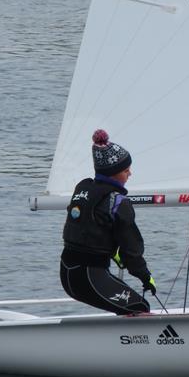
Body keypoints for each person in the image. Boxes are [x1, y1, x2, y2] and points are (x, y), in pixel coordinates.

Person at [60, 128, 155, 315]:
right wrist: (145, 276)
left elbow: (91, 230)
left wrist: (114, 254)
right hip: (89, 277)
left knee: (127, 303)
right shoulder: (119, 202)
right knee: (140, 307)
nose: (130, 174)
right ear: (114, 173)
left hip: (67, 272)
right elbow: (131, 251)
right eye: (126, 170)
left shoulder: (82, 189)